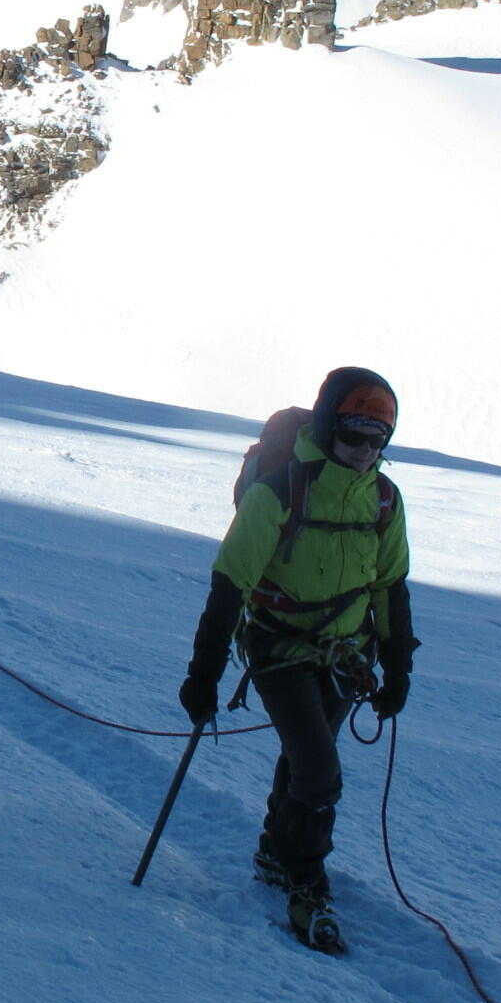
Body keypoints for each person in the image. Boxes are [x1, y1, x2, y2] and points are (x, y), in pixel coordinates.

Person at [179, 367, 415, 953]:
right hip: (280, 649)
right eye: (353, 435)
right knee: (318, 769)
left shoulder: (384, 500)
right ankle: (307, 883)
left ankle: (274, 851)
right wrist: (203, 674)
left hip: (346, 655)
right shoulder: (279, 493)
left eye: (377, 440)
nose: (364, 451)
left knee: (306, 756)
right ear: (329, 425)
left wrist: (397, 667)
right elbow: (230, 585)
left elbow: (389, 587)